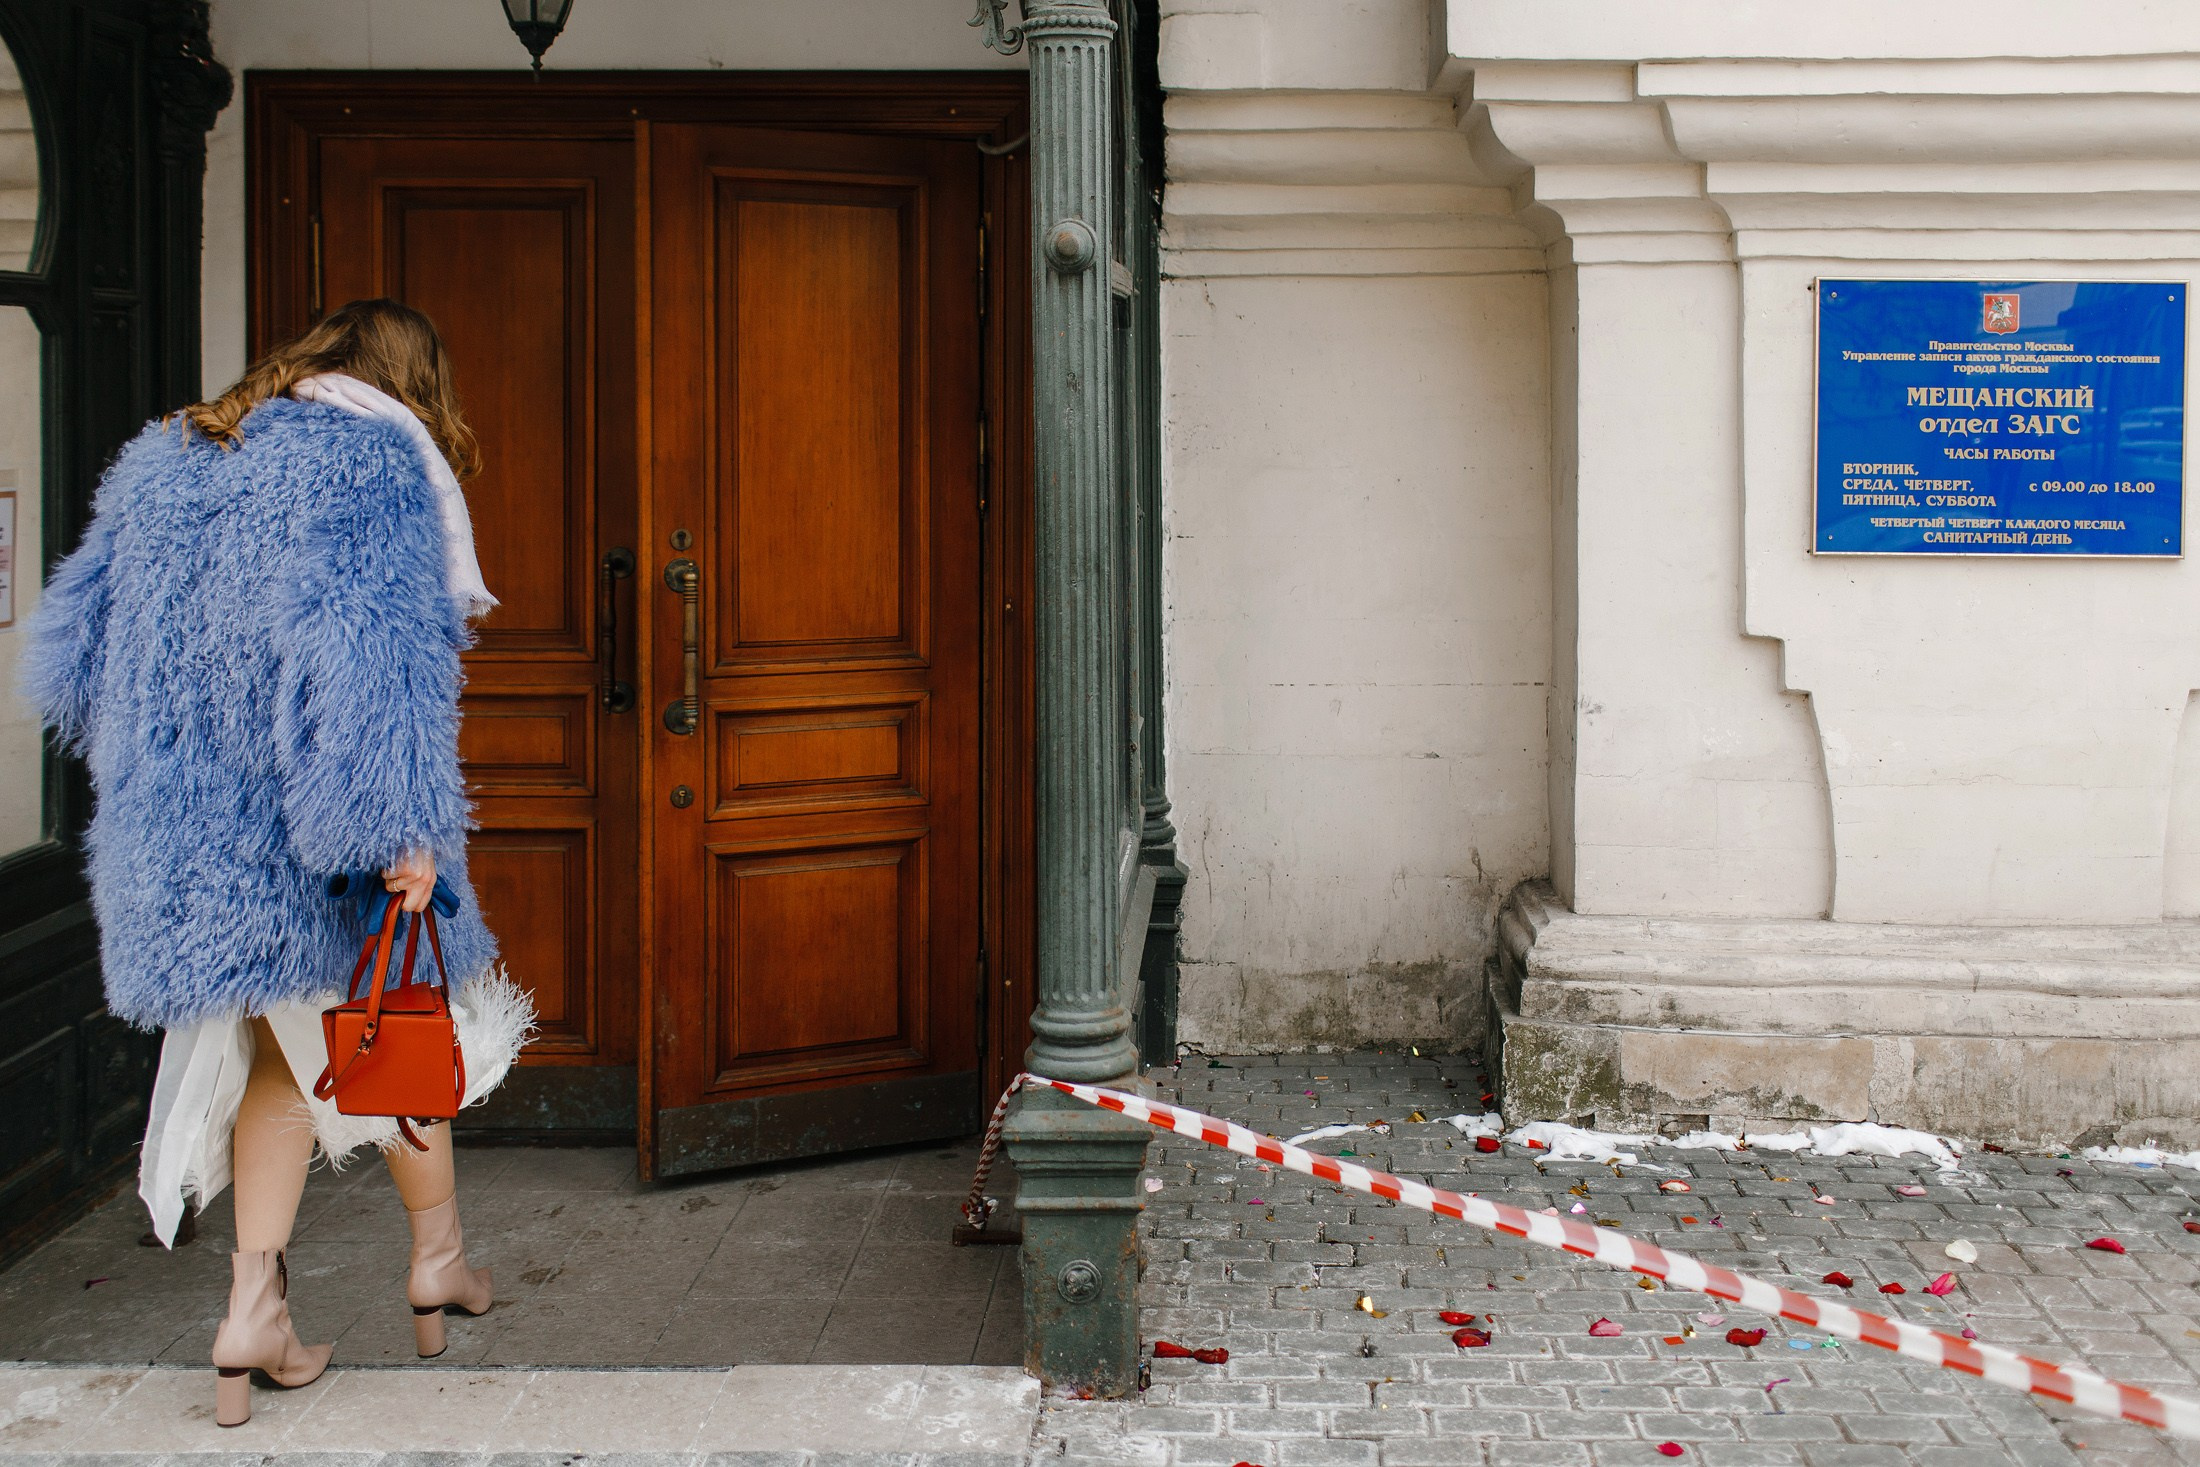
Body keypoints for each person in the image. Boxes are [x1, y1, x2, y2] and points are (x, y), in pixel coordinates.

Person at [18, 298, 533, 1426]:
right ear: (411, 382)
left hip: (179, 832)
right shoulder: (372, 464)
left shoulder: (170, 456)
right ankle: (413, 1269)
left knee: (293, 1062)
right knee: (387, 1030)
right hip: (305, 828)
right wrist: (398, 828)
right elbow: (368, 658)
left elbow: (70, 652)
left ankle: (280, 1304)